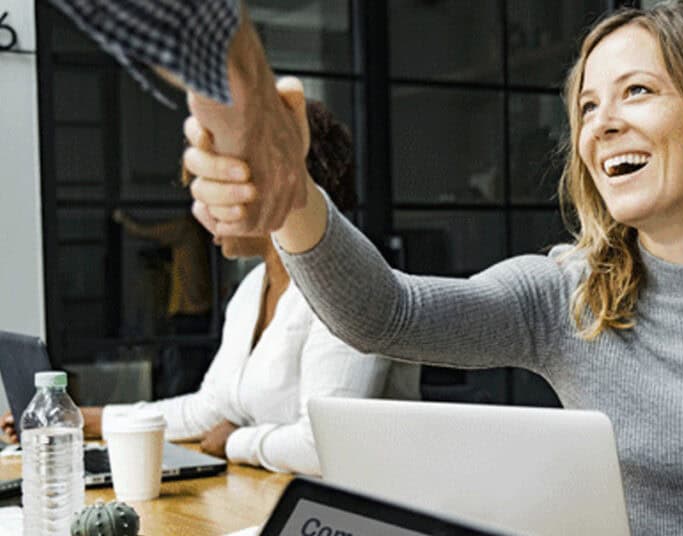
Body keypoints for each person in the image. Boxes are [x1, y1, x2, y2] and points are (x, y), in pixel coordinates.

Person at [49, 0, 683, 533]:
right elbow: (387, 315)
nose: (603, 123)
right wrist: (293, 198)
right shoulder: (567, 290)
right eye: (588, 105)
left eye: (639, 91)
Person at [3, 101, 419, 476]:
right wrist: (80, 420)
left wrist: (236, 441)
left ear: (278, 184)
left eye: (217, 183)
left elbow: (322, 446)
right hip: (270, 493)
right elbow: (208, 411)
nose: (202, 206)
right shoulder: (253, 288)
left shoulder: (348, 283)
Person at [112, 209, 214, 397]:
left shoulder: (186, 229)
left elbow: (149, 232)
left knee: (182, 374)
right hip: (196, 312)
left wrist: (124, 220)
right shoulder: (199, 238)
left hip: (188, 313)